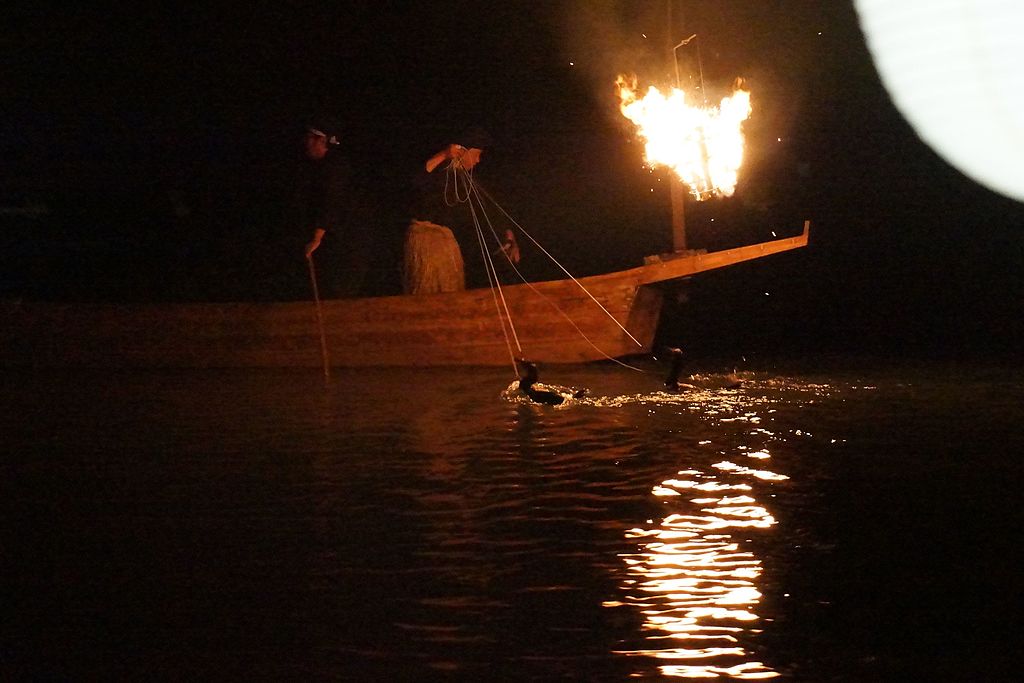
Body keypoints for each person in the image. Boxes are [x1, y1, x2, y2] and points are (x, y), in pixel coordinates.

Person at [403, 128, 492, 295]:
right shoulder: (439, 170)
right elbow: (416, 180)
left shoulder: (463, 180)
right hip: (426, 238)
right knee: (426, 290)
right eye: (477, 154)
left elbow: (485, 211)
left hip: (447, 241)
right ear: (463, 152)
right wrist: (444, 154)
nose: (479, 160)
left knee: (451, 289)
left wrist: (506, 235)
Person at [293, 116, 369, 298]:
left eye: (311, 138)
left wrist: (317, 237)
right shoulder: (319, 167)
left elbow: (332, 201)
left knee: (337, 290)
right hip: (339, 237)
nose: (306, 142)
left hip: (344, 240)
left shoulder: (335, 167)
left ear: (322, 140)